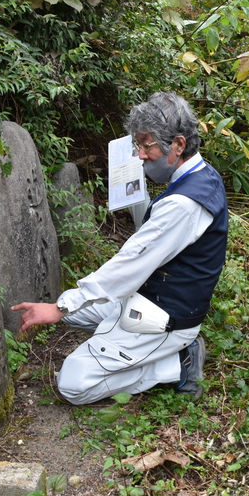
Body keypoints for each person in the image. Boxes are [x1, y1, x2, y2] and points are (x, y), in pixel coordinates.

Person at [13, 92, 228, 404]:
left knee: (73, 384)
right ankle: (130, 342)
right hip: (151, 294)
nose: (140, 155)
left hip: (165, 315)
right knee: (73, 309)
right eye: (137, 146)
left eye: (147, 145)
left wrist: (57, 310)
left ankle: (177, 359)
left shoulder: (183, 204)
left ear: (179, 145)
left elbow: (131, 263)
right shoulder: (203, 175)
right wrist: (66, 307)